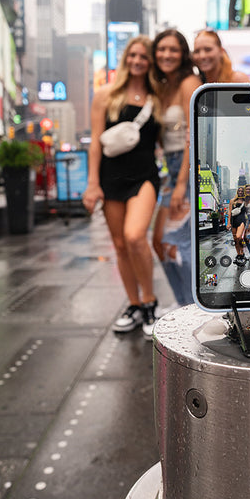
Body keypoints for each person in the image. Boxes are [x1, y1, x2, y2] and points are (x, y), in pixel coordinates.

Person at [82, 36, 161, 339]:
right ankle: (134, 304)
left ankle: (151, 302)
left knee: (135, 236)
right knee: (119, 244)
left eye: (144, 56)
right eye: (133, 55)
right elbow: (95, 145)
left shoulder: (158, 96)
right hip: (110, 176)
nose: (138, 61)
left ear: (150, 62)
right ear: (126, 58)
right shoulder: (105, 95)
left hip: (144, 176)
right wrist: (92, 185)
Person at [151, 29, 201, 309]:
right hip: (170, 170)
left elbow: (193, 134)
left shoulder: (188, 82)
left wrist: (183, 182)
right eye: (161, 49)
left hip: (186, 168)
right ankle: (184, 303)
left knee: (180, 244)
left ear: (182, 54)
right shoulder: (163, 86)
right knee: (160, 242)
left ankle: (192, 307)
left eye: (173, 49)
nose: (166, 55)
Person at [227, 186, 247, 264]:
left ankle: (242, 252)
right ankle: (238, 254)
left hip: (242, 220)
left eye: (242, 191)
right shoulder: (232, 201)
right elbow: (229, 212)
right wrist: (228, 223)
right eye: (239, 191)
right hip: (233, 221)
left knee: (239, 237)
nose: (240, 192)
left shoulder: (246, 201)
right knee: (235, 239)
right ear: (237, 192)